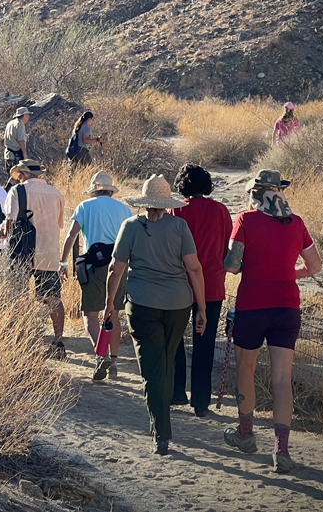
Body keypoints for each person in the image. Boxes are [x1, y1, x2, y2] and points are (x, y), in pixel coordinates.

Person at [222, 169, 323, 474]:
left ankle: (246, 434)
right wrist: (289, 274)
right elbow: (315, 266)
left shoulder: (246, 220)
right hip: (287, 307)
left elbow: (233, 266)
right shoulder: (297, 223)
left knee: (246, 369)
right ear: (279, 192)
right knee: (281, 379)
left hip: (253, 305)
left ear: (254, 193)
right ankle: (282, 450)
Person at [106, 175, 207, 455]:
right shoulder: (179, 226)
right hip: (178, 304)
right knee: (167, 359)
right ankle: (162, 423)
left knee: (152, 368)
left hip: (142, 303)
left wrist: (110, 304)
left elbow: (117, 269)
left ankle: (160, 432)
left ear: (145, 202)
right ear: (166, 203)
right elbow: (195, 268)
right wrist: (201, 306)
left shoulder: (131, 226)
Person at [169, 164, 233, 415]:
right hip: (212, 286)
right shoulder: (220, 210)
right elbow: (228, 249)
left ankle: (176, 392)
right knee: (204, 344)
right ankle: (201, 402)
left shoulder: (177, 210)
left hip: (180, 284)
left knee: (174, 340)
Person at [58, 171, 132, 380]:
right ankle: (114, 361)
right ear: (110, 190)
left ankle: (101, 355)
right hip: (118, 264)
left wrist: (63, 262)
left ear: (94, 190)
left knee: (90, 315)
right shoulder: (124, 209)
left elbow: (72, 235)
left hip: (93, 265)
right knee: (114, 313)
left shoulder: (85, 206)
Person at [4, 159, 66, 359]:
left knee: (16, 296)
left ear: (22, 175)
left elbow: (10, 221)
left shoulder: (17, 192)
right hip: (48, 253)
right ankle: (58, 342)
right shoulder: (57, 194)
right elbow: (59, 223)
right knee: (53, 298)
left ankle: (19, 341)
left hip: (22, 252)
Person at [4, 107, 30, 189]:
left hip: (8, 154)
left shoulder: (10, 123)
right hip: (16, 154)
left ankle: (6, 192)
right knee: (20, 175)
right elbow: (21, 140)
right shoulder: (20, 124)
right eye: (28, 114)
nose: (29, 116)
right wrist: (25, 154)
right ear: (24, 115)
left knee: (12, 175)